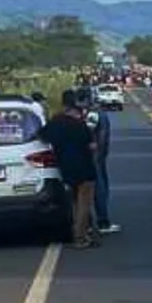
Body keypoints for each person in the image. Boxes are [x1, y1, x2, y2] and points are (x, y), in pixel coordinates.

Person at [38, 89, 100, 249]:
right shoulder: (80, 125)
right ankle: (80, 237)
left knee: (73, 202)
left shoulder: (55, 123)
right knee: (84, 204)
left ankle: (80, 231)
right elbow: (92, 146)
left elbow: (41, 137)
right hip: (85, 168)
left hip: (65, 168)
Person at [81, 91, 120, 234]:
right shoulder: (95, 115)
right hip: (96, 157)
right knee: (99, 190)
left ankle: (89, 223)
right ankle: (102, 222)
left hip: (95, 156)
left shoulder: (91, 115)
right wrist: (98, 154)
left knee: (93, 190)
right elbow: (97, 136)